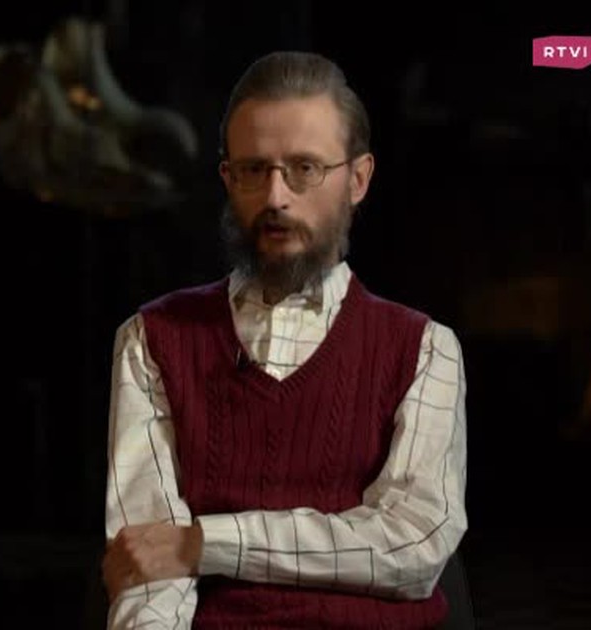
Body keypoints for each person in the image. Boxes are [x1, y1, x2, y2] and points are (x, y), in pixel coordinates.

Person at [102, 50, 468, 629]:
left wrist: (202, 543)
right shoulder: (152, 339)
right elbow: (147, 567)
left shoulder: (424, 349)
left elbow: (412, 547)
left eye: (304, 168)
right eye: (254, 170)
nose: (276, 197)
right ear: (228, 180)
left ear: (358, 179)